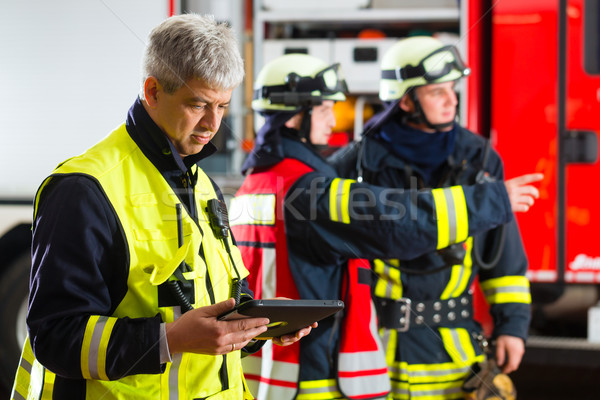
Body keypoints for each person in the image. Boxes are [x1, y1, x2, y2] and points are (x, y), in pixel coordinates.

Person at [11, 14, 315, 400]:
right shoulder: (84, 189)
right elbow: (55, 337)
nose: (212, 124)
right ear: (152, 91)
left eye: (222, 106)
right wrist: (168, 339)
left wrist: (257, 323)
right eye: (198, 104)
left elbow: (211, 306)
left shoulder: (201, 184)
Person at [229, 53, 541, 400]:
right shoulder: (311, 189)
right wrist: (490, 201)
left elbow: (501, 255)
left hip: (270, 373)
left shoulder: (255, 184)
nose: (335, 120)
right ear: (294, 118)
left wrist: (512, 322)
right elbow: (397, 223)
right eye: (325, 109)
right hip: (315, 375)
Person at [330, 35, 543, 399]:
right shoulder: (355, 163)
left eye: (453, 89)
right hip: (374, 347)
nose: (452, 99)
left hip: (455, 351)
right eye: (437, 92)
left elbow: (502, 253)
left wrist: (512, 326)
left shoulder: (479, 157)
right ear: (407, 99)